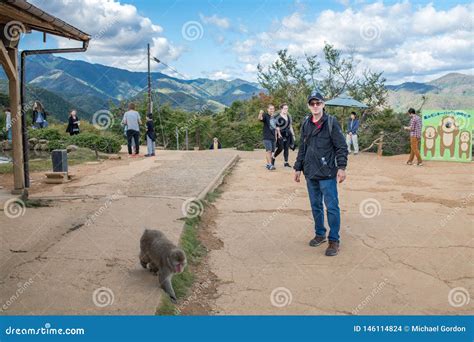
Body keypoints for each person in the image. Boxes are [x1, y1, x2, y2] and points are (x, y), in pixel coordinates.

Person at [294, 90, 348, 257]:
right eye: (312, 103)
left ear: (323, 104)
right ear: (309, 106)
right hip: (310, 172)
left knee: (331, 207)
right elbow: (302, 147)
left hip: (327, 173)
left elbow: (341, 147)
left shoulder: (331, 123)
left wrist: (341, 167)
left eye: (318, 103)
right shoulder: (305, 123)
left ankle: (334, 240)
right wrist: (297, 167)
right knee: (315, 205)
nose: (315, 106)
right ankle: (320, 234)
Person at [258, 104, 277, 170]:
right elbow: (260, 119)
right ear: (268, 109)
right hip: (267, 137)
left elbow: (275, 128)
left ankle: (268, 164)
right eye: (270, 109)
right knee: (268, 151)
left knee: (271, 151)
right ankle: (270, 164)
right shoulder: (265, 115)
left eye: (273, 109)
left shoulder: (274, 117)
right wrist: (260, 113)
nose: (272, 110)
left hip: (273, 137)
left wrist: (276, 137)